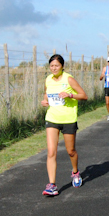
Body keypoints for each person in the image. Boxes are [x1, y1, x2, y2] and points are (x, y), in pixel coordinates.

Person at [41, 55, 88, 196]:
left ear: (62, 66)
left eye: (57, 65)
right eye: (51, 66)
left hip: (68, 119)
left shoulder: (69, 79)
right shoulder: (48, 79)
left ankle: (75, 172)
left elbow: (84, 95)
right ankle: (52, 185)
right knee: (51, 152)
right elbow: (46, 94)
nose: (54, 68)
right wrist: (45, 101)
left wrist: (70, 95)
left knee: (71, 151)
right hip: (52, 118)